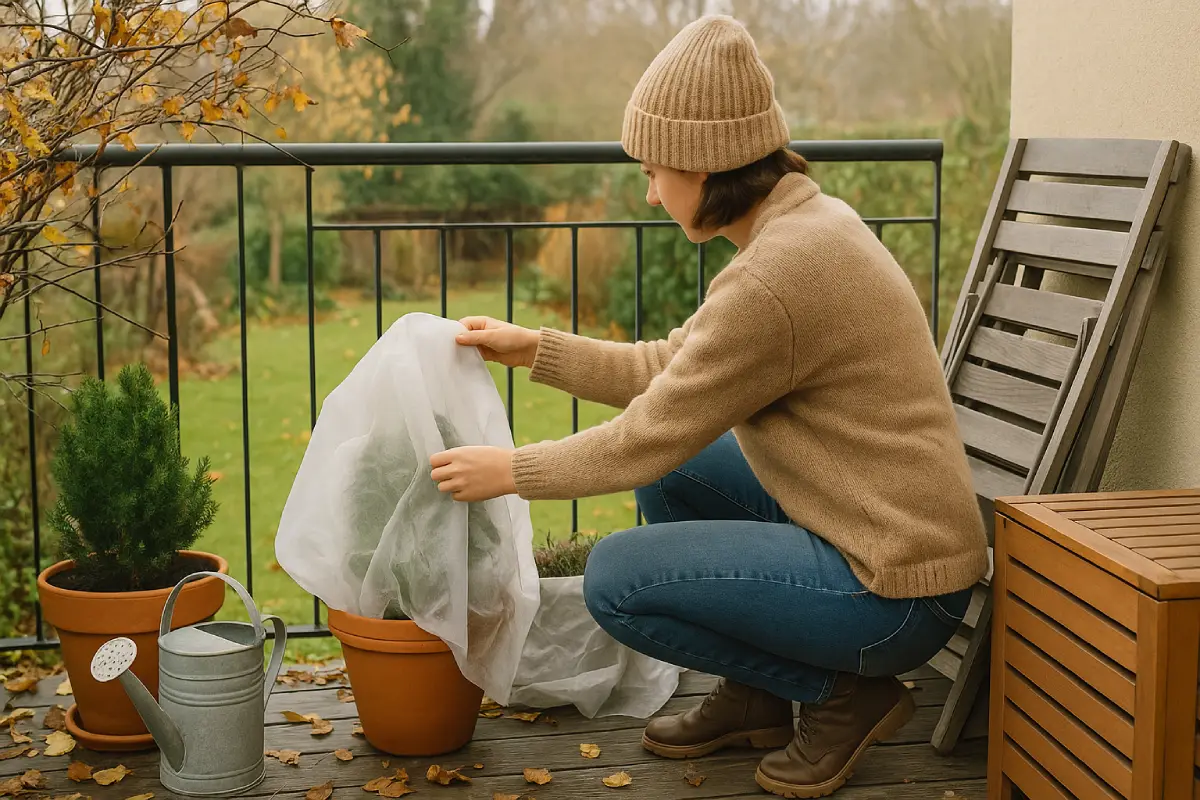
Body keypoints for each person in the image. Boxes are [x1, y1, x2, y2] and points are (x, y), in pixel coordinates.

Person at [429, 13, 988, 799]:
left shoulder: (776, 275)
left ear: (703, 165)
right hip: (872, 529)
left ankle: (841, 697)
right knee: (680, 472)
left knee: (616, 581)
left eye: (655, 171)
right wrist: (535, 349)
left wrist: (510, 471)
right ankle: (757, 699)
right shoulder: (800, 227)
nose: (650, 191)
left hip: (893, 592)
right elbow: (673, 370)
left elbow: (644, 438)